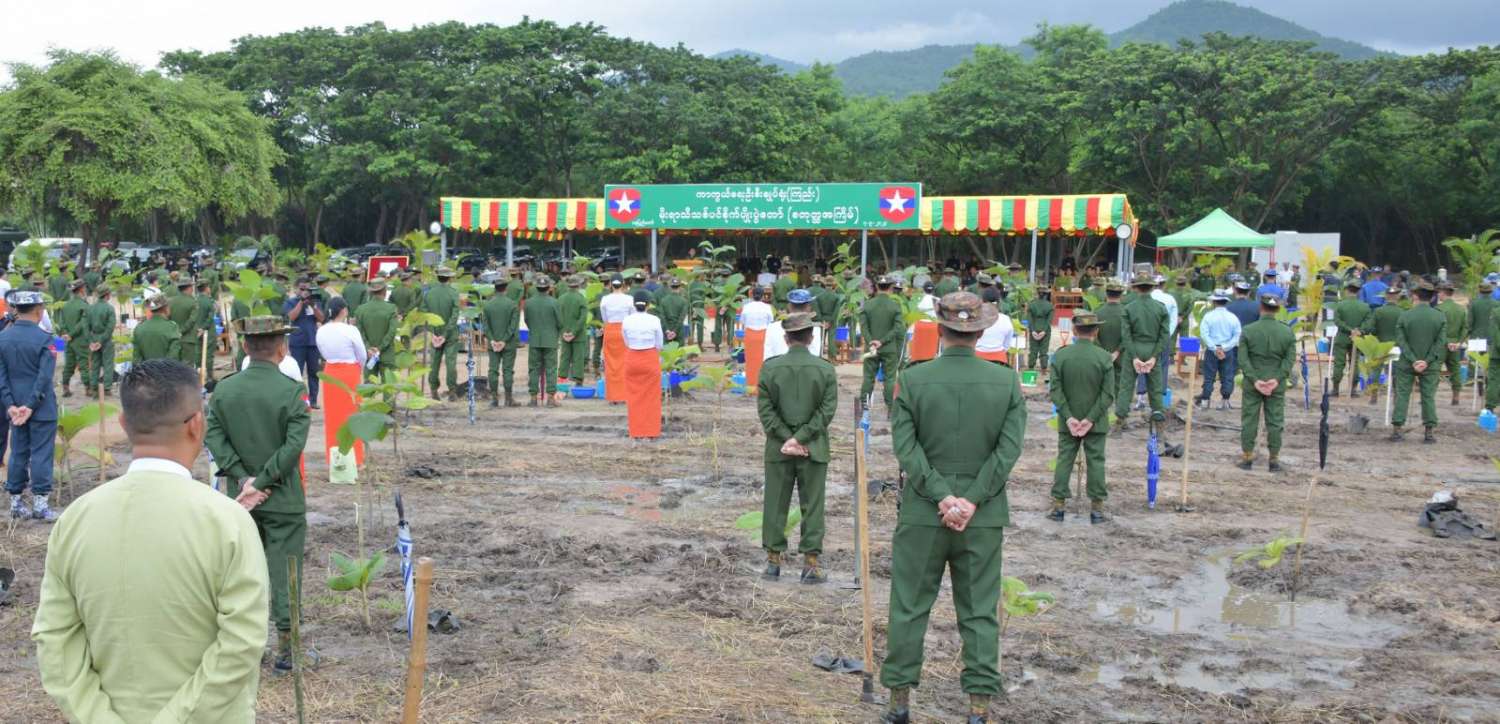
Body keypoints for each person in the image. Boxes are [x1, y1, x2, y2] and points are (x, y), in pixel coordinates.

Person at [32, 359, 269, 722]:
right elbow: (243, 642)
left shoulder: (74, 520)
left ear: (124, 424)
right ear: (197, 424)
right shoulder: (227, 521)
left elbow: (55, 639)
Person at [881, 292, 1025, 724]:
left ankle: (899, 703)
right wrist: (971, 499)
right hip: (983, 517)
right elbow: (1007, 451)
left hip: (923, 513)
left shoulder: (913, 379)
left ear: (940, 330)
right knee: (979, 610)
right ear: (980, 333)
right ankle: (978, 708)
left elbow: (906, 448)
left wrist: (942, 496)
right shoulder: (1006, 382)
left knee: (909, 606)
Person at [206, 315, 313, 674]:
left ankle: (243, 646)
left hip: (240, 501)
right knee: (285, 572)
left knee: (240, 574)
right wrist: (264, 482)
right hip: (283, 499)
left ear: (244, 347)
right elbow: (293, 446)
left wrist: (244, 480)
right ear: (282, 349)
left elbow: (214, 436)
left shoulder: (225, 390)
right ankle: (288, 651)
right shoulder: (292, 391)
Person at [756, 312, 837, 582]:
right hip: (813, 448)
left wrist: (787, 439)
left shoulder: (770, 368)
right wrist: (801, 438)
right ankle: (810, 566)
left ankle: (773, 564)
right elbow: (826, 412)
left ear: (786, 338)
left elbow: (766, 411)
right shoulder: (825, 369)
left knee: (775, 503)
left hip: (778, 448)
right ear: (812, 338)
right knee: (812, 505)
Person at [1047, 311, 1115, 523]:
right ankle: (1097, 510)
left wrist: (1068, 417)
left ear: (1074, 330)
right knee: (1096, 462)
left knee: (1064, 460)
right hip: (1096, 422)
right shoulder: (1104, 357)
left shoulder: (1061, 356)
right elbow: (1108, 394)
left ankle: (1058, 507)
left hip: (1068, 422)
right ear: (1096, 331)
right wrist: (1090, 419)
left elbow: (1055, 390)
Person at [1, 290, 60, 521]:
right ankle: (40, 505)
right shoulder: (45, 339)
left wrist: (10, 405)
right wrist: (31, 405)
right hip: (41, 408)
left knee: (18, 451)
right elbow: (44, 377)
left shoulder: (3, 338)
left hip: (15, 408)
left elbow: (2, 377)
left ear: (16, 310)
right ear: (38, 310)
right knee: (41, 453)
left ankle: (15, 504)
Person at [1237, 295, 1296, 471]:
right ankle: (1274, 460)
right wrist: (1276, 379)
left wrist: (1255, 380)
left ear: (1260, 307)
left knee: (1249, 420)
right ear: (1277, 309)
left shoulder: (1248, 330)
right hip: (1276, 385)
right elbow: (1289, 360)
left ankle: (1247, 458)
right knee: (1275, 422)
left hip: (1252, 383)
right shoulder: (1287, 332)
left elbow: (1243, 359)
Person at [1390, 281, 1446, 443]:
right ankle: (1429, 432)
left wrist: (1413, 360)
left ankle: (1397, 430)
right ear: (1432, 297)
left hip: (1407, 364)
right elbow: (1440, 343)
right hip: (1430, 365)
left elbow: (1401, 341)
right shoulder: (1440, 316)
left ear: (1415, 296)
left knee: (1402, 395)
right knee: (1428, 396)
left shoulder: (1405, 315)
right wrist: (1426, 361)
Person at [316, 297, 368, 465]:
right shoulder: (351, 330)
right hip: (349, 372)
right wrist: (360, 367)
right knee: (352, 415)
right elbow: (362, 354)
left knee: (332, 417)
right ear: (344, 310)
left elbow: (322, 352)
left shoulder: (321, 330)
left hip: (330, 372)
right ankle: (355, 459)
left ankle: (334, 458)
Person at [1119, 274, 1171, 427]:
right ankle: (1158, 417)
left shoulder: (1128, 308)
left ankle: (1121, 418)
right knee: (1155, 386)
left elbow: (1126, 335)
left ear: (1136, 288)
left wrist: (1134, 356)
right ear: (1152, 287)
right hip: (1153, 348)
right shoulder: (1161, 308)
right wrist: (1154, 356)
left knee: (1126, 385)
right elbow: (1164, 335)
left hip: (1133, 348)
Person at [622, 290, 663, 438]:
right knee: (652, 397)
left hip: (632, 358)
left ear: (634, 305)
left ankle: (636, 432)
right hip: (649, 357)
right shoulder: (654, 320)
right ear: (648, 305)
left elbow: (626, 341)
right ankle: (651, 432)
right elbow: (659, 343)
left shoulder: (627, 320)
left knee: (634, 397)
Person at [860, 276, 903, 409]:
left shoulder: (867, 305)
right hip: (889, 348)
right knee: (890, 379)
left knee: (868, 377)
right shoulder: (895, 306)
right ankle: (890, 407)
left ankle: (864, 406)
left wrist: (871, 341)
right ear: (891, 288)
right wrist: (882, 341)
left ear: (877, 287)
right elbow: (897, 328)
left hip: (871, 348)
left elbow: (863, 327)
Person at [281, 279, 325, 407]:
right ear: (296, 289)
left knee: (314, 372)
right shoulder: (290, 302)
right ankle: (298, 401)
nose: (305, 291)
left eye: (307, 289)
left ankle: (313, 400)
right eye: (302, 289)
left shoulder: (315, 301)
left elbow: (321, 318)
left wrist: (312, 305)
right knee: (297, 372)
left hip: (312, 342)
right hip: (298, 342)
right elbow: (291, 317)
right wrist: (301, 302)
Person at [1196, 292, 1242, 410]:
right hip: (1228, 351)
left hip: (1212, 351)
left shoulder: (1208, 316)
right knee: (1227, 376)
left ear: (1214, 302)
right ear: (1225, 302)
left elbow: (1204, 334)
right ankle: (1225, 401)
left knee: (1209, 376)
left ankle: (1205, 402)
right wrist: (1225, 348)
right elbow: (1237, 335)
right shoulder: (1233, 317)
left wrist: (1215, 348)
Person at [421, 267, 462, 401]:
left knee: (434, 363)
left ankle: (433, 391)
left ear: (438, 277)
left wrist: (432, 332)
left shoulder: (429, 294)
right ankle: (452, 392)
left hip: (434, 334)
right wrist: (445, 334)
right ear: (449, 277)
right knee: (451, 363)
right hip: (450, 335)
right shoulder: (453, 293)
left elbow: (425, 315)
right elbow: (454, 316)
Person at [481, 277, 521, 408]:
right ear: (506, 288)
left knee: (493, 370)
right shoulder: (512, 304)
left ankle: (494, 399)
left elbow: (485, 326)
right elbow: (513, 326)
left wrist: (493, 340)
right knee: (508, 370)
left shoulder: (487, 305)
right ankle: (509, 398)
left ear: (495, 289)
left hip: (493, 344)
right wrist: (504, 340)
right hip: (508, 344)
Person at [525, 275, 562, 407]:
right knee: (551, 369)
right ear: (548, 288)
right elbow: (560, 322)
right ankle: (551, 398)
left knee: (533, 369)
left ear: (537, 287)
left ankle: (533, 398)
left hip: (534, 339)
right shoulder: (554, 302)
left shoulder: (529, 303)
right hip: (550, 340)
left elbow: (527, 320)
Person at [1329, 280, 1370, 396]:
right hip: (1357, 339)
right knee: (1355, 363)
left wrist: (1349, 330)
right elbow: (1368, 322)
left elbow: (1337, 321)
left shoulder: (1340, 305)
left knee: (1339, 363)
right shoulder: (1365, 307)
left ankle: (1335, 389)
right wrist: (1358, 331)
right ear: (1358, 291)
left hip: (1342, 338)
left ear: (1347, 290)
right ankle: (1353, 390)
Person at [353, 277, 397, 380]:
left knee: (369, 385)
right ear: (385, 291)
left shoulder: (360, 310)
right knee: (389, 386)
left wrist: (369, 348)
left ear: (371, 292)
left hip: (369, 355)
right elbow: (392, 332)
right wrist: (380, 348)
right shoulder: (391, 308)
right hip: (386, 355)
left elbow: (359, 332)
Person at [600, 276, 633, 403]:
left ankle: (613, 396)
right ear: (623, 284)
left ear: (610, 284)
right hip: (624, 331)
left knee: (611, 364)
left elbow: (604, 318)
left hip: (610, 331)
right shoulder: (629, 299)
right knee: (624, 363)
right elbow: (632, 316)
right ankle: (624, 395)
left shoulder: (605, 299)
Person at [764, 288, 822, 360]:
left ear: (789, 306)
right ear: (809, 308)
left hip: (777, 366)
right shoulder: (815, 329)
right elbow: (815, 356)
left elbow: (767, 357)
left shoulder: (772, 328)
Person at [1436, 283, 1469, 406]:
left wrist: (1446, 341)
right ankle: (1456, 396)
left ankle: (1429, 395)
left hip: (1441, 344)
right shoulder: (1460, 309)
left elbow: (1437, 328)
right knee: (1455, 370)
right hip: (1455, 345)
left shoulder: (1439, 309)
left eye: (1439, 292)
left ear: (1443, 293)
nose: (1438, 294)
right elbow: (1465, 328)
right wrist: (1459, 342)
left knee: (1435, 369)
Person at [58, 279, 91, 397]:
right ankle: (88, 388)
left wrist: (65, 334)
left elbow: (61, 322)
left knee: (69, 364)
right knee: (84, 365)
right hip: (80, 340)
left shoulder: (66, 305)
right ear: (81, 289)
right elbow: (82, 324)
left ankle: (65, 387)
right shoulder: (84, 306)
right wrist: (71, 334)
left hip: (68, 341)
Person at [84, 281, 118, 396]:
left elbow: (85, 327)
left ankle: (94, 387)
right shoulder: (109, 308)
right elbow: (110, 327)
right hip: (106, 340)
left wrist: (91, 341)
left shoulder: (90, 308)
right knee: (108, 364)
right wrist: (101, 340)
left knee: (95, 364)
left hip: (93, 338)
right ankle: (107, 388)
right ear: (107, 295)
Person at [557, 274, 590, 388]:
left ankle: (561, 381)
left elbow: (558, 317)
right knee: (578, 358)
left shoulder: (561, 298)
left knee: (564, 357)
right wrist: (574, 332)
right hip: (579, 335)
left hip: (564, 334)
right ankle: (578, 382)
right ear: (579, 285)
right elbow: (583, 318)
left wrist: (563, 332)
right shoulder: (581, 298)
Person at [740, 286, 775, 389]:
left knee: (750, 361)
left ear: (752, 295)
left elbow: (742, 321)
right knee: (762, 359)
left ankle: (750, 385)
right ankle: (761, 386)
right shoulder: (767, 307)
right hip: (762, 335)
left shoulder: (746, 307)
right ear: (763, 295)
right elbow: (770, 321)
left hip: (750, 335)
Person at [133, 295, 183, 363]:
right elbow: (174, 356)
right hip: (166, 369)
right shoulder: (172, 327)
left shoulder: (139, 329)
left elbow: (136, 359)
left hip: (146, 369)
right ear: (165, 308)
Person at [1148, 276, 1179, 384]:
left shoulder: (1146, 298)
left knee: (1145, 362)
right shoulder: (1170, 299)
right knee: (1163, 363)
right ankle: (1162, 388)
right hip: (1164, 335)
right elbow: (1174, 320)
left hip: (1148, 336)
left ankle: (1142, 390)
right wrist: (1167, 334)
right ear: (1163, 285)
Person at [169, 278, 201, 370]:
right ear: (189, 288)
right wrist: (181, 331)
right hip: (188, 338)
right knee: (187, 366)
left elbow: (167, 318)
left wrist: (176, 332)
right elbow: (192, 320)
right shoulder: (193, 302)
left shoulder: (171, 301)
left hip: (173, 338)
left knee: (174, 365)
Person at [1025, 288, 1054, 372]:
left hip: (1034, 327)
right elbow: (1049, 320)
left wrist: (1032, 330)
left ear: (1038, 294)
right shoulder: (1049, 306)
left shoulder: (1031, 304)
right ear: (1046, 295)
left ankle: (1031, 367)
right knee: (1044, 350)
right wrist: (1044, 330)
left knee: (1033, 349)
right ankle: (1044, 368)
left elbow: (1029, 318)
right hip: (1045, 329)